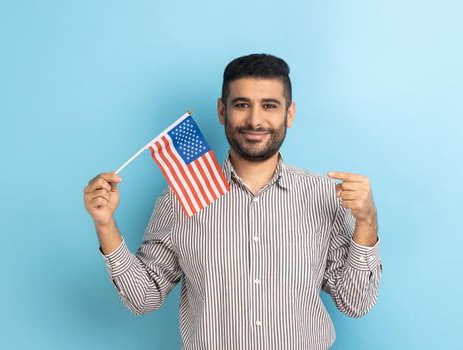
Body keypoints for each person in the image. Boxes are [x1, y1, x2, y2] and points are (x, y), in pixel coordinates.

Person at [83, 53, 382, 349]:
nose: (255, 120)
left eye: (269, 106)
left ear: (289, 114)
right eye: (242, 105)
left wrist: (367, 221)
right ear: (222, 111)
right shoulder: (181, 198)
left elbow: (355, 302)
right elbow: (143, 297)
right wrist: (105, 224)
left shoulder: (324, 197)